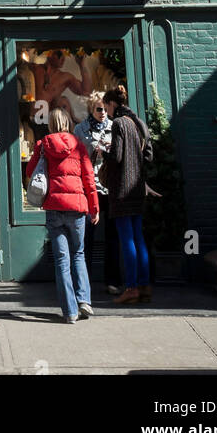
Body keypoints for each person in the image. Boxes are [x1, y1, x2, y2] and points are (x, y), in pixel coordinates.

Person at [26, 107, 98, 324]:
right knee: (78, 254)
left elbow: (30, 171)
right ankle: (84, 300)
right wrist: (94, 207)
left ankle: (69, 311)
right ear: (67, 122)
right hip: (77, 208)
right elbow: (89, 178)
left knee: (61, 260)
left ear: (50, 124)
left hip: (54, 207)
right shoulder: (79, 145)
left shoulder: (43, 145)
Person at [102, 83, 154, 305]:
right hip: (137, 188)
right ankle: (144, 286)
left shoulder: (119, 124)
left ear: (112, 104)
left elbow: (117, 157)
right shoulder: (138, 122)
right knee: (139, 238)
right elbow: (150, 156)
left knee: (127, 240)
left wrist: (105, 152)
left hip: (122, 189)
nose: (106, 111)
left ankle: (131, 288)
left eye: (106, 107)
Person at [74, 91, 122, 294]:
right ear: (91, 109)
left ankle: (112, 280)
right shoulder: (81, 129)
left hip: (109, 187)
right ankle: (85, 283)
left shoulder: (115, 126)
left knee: (113, 236)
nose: (103, 113)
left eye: (105, 109)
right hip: (89, 187)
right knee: (87, 236)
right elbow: (75, 158)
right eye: (99, 109)